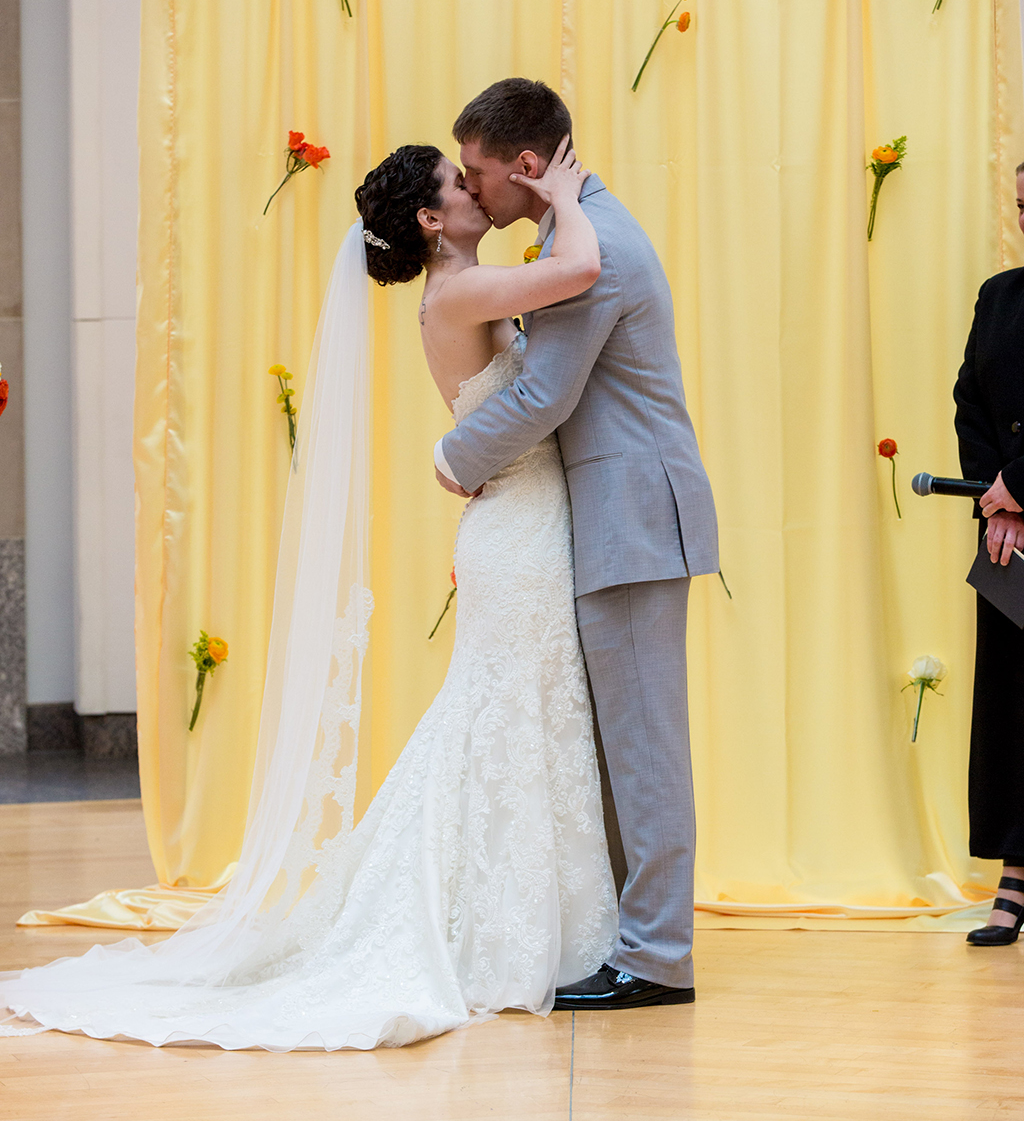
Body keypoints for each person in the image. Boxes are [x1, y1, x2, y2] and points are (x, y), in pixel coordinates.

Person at [0, 138, 618, 1050]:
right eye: (461, 185)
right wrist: (563, 193)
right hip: (516, 532)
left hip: (520, 522)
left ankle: (521, 920)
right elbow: (585, 270)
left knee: (510, 717)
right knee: (502, 716)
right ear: (428, 219)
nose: (480, 193)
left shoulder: (463, 286)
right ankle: (498, 932)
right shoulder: (457, 292)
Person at [436, 79, 718, 1009]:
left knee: (643, 747)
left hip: (630, 518)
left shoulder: (591, 251)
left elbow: (543, 396)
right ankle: (631, 941)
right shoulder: (575, 235)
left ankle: (657, 959)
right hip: (618, 515)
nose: (474, 194)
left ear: (525, 166)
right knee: (618, 743)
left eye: (480, 174)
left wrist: (452, 458)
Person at [953, 159, 1024, 946]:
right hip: (1004, 531)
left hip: (1016, 511)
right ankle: (1013, 874)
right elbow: (969, 395)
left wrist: (1021, 487)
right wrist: (995, 492)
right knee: (1008, 704)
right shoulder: (1000, 294)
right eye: (1020, 206)